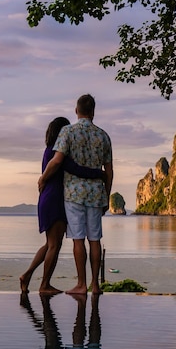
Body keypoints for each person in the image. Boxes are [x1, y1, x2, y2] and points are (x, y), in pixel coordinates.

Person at [38, 95, 113, 295]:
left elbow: (57, 160)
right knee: (95, 239)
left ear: (76, 110)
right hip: (96, 194)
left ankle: (81, 284)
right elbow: (109, 171)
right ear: (93, 111)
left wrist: (43, 178)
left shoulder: (68, 131)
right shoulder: (103, 136)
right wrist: (107, 195)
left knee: (78, 240)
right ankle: (95, 286)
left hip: (74, 193)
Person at [20, 117, 104, 294]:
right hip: (55, 199)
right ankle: (44, 285)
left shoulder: (48, 150)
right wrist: (100, 174)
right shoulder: (57, 153)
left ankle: (27, 275)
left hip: (47, 199)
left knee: (50, 244)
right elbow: (75, 169)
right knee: (53, 245)